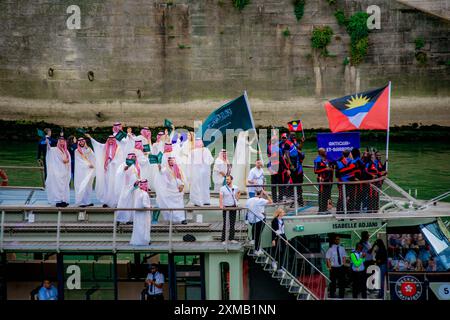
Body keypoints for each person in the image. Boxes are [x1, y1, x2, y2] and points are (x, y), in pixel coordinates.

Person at [86, 134, 124, 207]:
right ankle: (106, 201)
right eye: (109, 139)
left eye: (112, 139)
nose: (111, 141)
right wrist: (91, 138)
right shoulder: (104, 147)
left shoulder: (118, 148)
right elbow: (97, 145)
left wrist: (113, 162)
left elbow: (119, 158)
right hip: (107, 169)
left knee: (114, 184)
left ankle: (115, 202)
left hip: (114, 169)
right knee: (106, 185)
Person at [155, 156, 186, 224]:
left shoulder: (178, 168)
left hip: (177, 190)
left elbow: (181, 178)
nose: (171, 162)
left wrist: (182, 185)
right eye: (170, 160)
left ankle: (182, 219)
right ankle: (171, 219)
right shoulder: (165, 169)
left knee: (179, 205)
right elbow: (161, 172)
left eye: (172, 160)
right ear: (168, 162)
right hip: (169, 190)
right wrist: (159, 167)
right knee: (170, 205)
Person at [116, 153, 141, 224]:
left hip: (134, 187)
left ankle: (130, 220)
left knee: (132, 203)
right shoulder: (124, 164)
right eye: (132, 157)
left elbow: (138, 176)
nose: (133, 158)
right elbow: (119, 173)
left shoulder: (137, 166)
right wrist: (124, 170)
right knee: (123, 203)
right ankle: (119, 219)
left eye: (134, 157)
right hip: (126, 187)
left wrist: (138, 182)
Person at [45, 137, 71, 207]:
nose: (62, 143)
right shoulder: (54, 150)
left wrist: (67, 161)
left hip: (65, 171)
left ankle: (64, 200)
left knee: (64, 186)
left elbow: (68, 160)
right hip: (57, 171)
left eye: (63, 141)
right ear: (58, 142)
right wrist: (47, 143)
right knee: (57, 186)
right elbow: (49, 150)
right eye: (60, 141)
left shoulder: (66, 151)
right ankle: (58, 201)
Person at [246, 189, 273, 254]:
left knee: (255, 231)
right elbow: (271, 201)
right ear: (261, 194)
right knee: (258, 235)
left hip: (251, 220)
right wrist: (266, 194)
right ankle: (257, 250)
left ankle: (253, 239)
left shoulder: (249, 200)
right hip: (259, 220)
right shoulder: (260, 200)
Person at [188, 138, 214, 206]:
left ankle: (200, 201)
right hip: (203, 171)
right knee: (203, 185)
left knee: (198, 185)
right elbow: (211, 160)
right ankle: (204, 200)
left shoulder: (193, 151)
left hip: (199, 171)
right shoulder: (205, 150)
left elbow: (190, 163)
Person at [74, 137, 95, 207]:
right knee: (81, 185)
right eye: (80, 141)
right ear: (78, 142)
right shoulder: (77, 151)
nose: (81, 142)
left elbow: (93, 156)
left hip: (89, 171)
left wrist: (87, 147)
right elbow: (79, 161)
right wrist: (88, 164)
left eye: (83, 141)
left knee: (88, 186)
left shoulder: (88, 150)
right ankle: (81, 202)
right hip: (81, 171)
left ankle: (88, 201)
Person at [219, 175, 240, 244]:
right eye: (226, 179)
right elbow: (221, 197)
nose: (227, 181)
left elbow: (238, 193)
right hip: (226, 207)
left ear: (231, 180)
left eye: (228, 179)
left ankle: (231, 238)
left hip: (233, 207)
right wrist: (221, 205)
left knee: (232, 223)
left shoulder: (235, 187)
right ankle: (223, 239)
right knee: (225, 223)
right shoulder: (223, 188)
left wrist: (237, 198)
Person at [286, 133, 305, 207]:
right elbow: (287, 155)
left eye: (294, 135)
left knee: (299, 185)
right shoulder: (287, 143)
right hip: (292, 167)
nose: (294, 137)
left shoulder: (295, 142)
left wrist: (302, 142)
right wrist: (290, 165)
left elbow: (299, 148)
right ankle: (292, 202)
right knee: (293, 185)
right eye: (292, 136)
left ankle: (300, 201)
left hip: (299, 168)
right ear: (289, 136)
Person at [130, 179, 152, 246]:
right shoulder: (144, 194)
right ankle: (144, 241)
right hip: (144, 214)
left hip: (137, 214)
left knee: (138, 227)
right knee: (144, 227)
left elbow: (131, 190)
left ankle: (139, 240)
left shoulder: (137, 192)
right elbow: (145, 205)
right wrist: (150, 207)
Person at [314, 148, 333, 213]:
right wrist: (326, 169)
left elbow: (328, 167)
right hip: (321, 180)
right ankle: (321, 210)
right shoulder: (317, 160)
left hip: (327, 179)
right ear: (320, 152)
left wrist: (330, 169)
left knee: (326, 194)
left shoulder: (326, 159)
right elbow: (315, 171)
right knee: (322, 195)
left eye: (325, 151)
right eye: (324, 151)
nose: (326, 152)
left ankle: (325, 209)